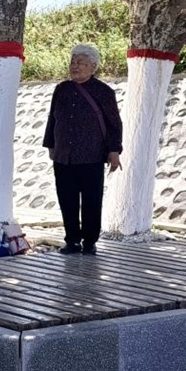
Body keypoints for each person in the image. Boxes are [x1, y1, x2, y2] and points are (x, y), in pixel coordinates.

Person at [42, 43, 124, 255]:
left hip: (92, 155)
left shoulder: (104, 92)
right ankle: (72, 240)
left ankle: (89, 241)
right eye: (73, 62)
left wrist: (114, 150)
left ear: (93, 67)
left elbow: (114, 123)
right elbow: (52, 119)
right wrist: (50, 144)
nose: (75, 66)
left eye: (80, 63)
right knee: (66, 199)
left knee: (91, 201)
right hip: (63, 156)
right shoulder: (61, 89)